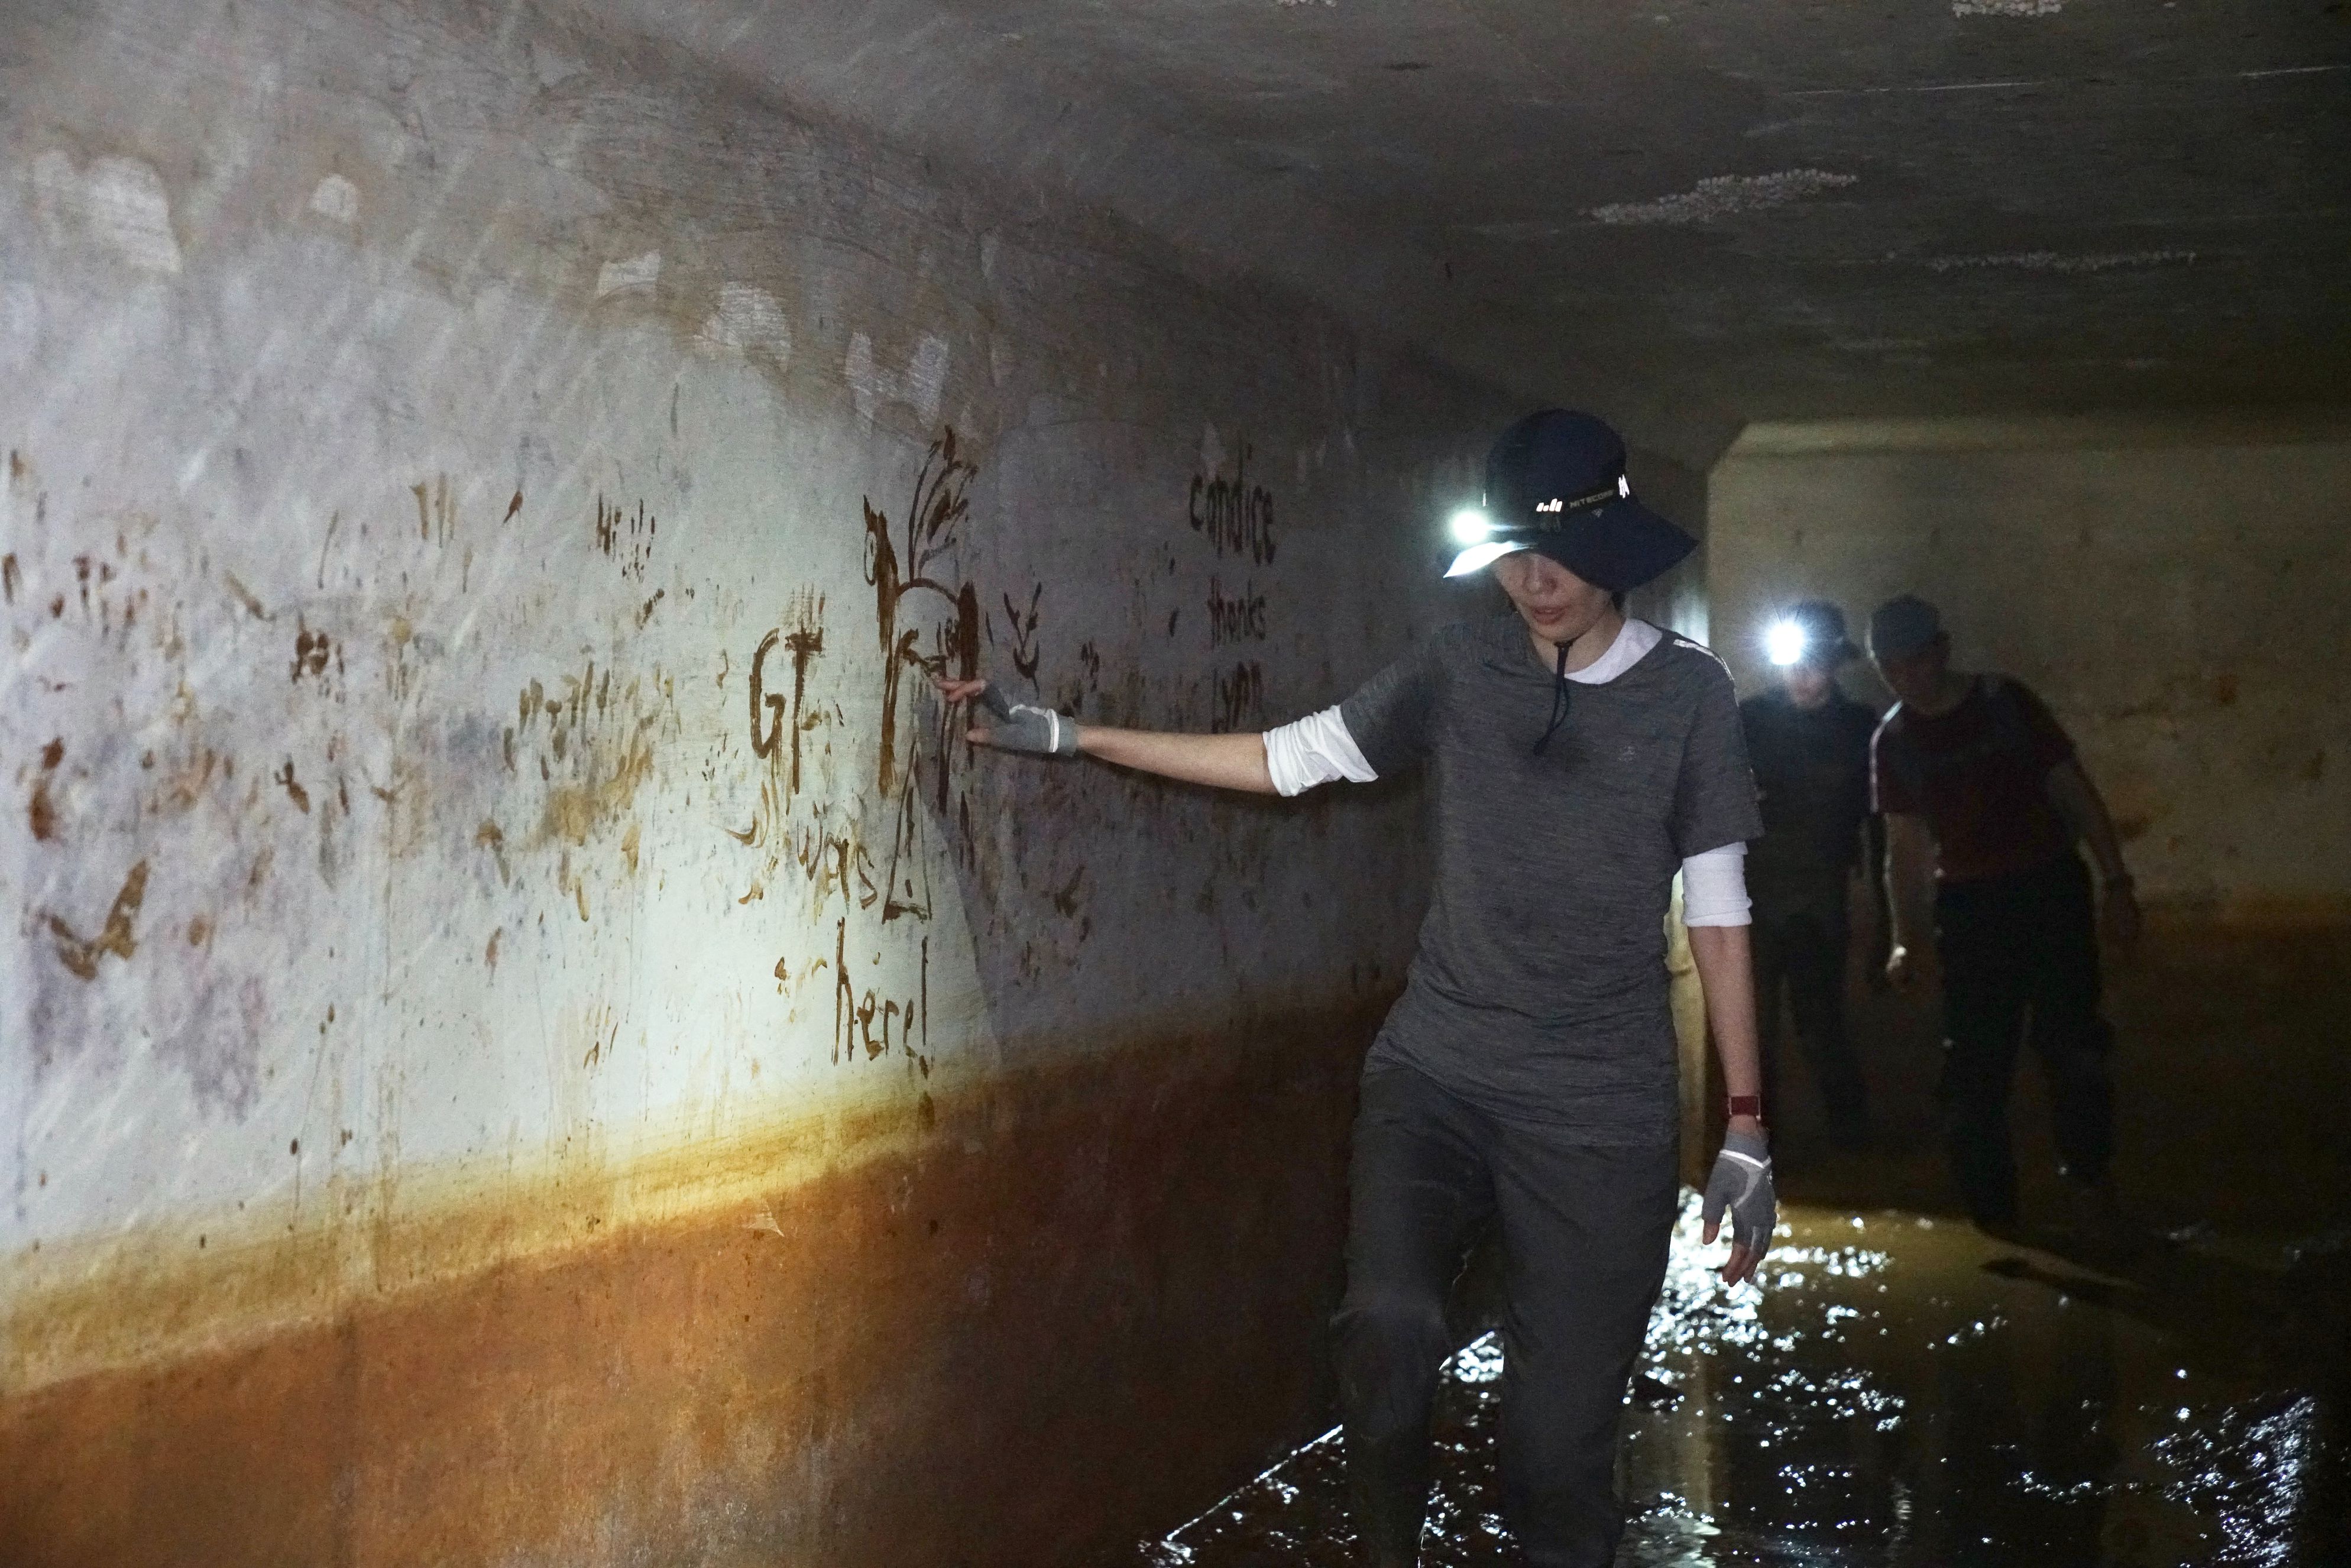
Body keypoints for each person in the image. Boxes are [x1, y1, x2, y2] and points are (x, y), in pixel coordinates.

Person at [938, 410, 1776, 1568]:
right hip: (1438, 1070)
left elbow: (1722, 917)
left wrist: (1742, 1125)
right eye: (1510, 555)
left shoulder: (1690, 697)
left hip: (1598, 1108)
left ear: (1616, 544)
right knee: (1386, 1329)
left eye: (1557, 556)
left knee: (1553, 1449)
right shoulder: (1458, 664)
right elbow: (1289, 760)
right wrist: (1072, 737)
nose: (1532, 582)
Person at [1867, 594, 2140, 1235]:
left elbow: (2072, 792)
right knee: (1971, 1071)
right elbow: (1903, 851)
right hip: (1970, 910)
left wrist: (2117, 884)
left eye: (1914, 662)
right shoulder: (1895, 741)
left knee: (2073, 1049)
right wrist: (1905, 941)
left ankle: (2090, 1190)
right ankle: (1996, 1220)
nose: (1905, 678)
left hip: (2047, 891)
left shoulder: (2003, 705)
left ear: (1941, 651)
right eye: (1891, 668)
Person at [1738, 600, 1879, 1152]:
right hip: (1753, 893)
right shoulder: (1750, 720)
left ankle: (1852, 1144)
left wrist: (1887, 920)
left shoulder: (1858, 727)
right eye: (1793, 661)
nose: (1802, 673)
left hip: (1822, 895)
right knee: (1753, 1030)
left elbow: (1880, 823)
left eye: (1814, 661)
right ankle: (1758, 1145)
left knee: (1821, 1022)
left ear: (1834, 664)